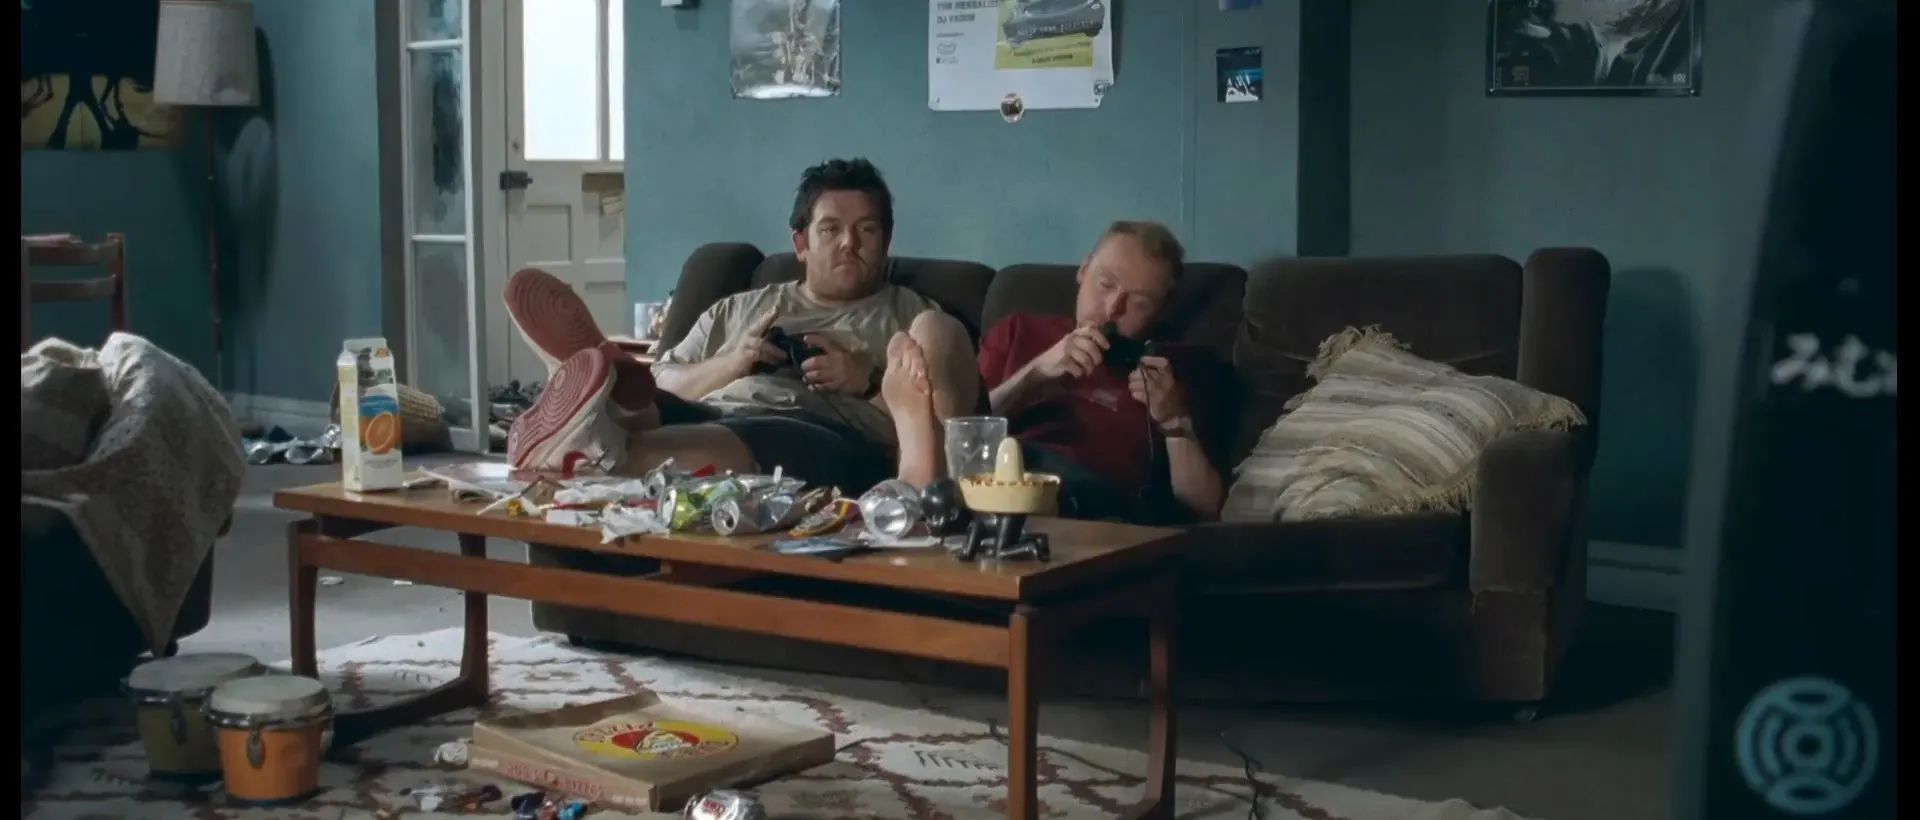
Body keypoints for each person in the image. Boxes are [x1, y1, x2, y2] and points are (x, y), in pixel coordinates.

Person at [502, 158, 979, 493]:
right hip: (712, 410)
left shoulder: (916, 317)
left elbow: (943, 423)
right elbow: (662, 380)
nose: (848, 244)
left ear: (886, 240)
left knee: (758, 433)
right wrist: (733, 362)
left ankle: (590, 440)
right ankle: (597, 413)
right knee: (649, 404)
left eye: (867, 230)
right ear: (801, 243)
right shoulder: (739, 308)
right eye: (831, 229)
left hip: (822, 436)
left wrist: (867, 380)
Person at [882, 221, 1226, 523]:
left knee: (1015, 480)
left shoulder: (1175, 369)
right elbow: (973, 429)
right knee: (934, 328)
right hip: (991, 469)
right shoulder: (1019, 331)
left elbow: (1204, 508)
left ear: (1160, 312)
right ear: (1083, 270)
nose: (1112, 309)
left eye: (1139, 303)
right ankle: (923, 472)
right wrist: (1036, 374)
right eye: (1106, 284)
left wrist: (1175, 423)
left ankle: (924, 490)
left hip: (1085, 497)